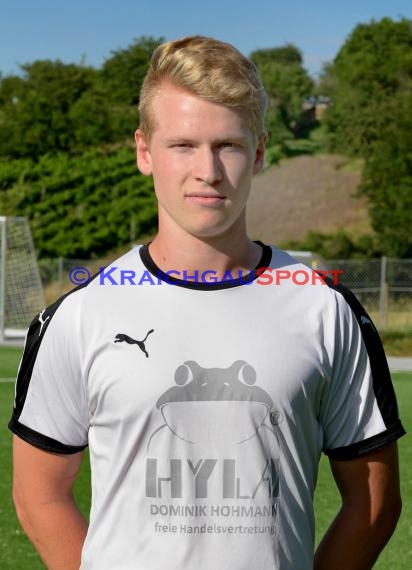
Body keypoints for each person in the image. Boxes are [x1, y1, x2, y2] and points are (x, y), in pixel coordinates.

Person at [9, 35, 405, 570]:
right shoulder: (81, 315)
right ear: (145, 153)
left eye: (229, 145)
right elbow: (40, 495)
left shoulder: (326, 310)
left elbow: (373, 503)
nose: (208, 170)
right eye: (183, 145)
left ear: (259, 152)